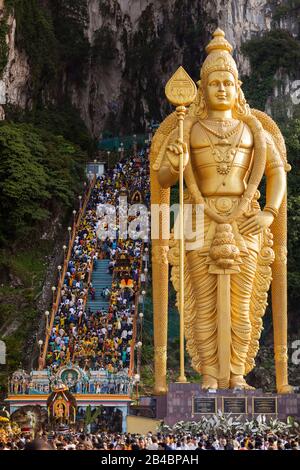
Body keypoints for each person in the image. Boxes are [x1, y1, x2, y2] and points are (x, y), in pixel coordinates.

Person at [152, 27, 292, 393]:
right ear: (202, 87)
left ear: (237, 86)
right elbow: (164, 178)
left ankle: (237, 374)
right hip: (198, 219)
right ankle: (210, 375)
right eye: (214, 83)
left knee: (242, 303)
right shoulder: (189, 127)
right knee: (202, 302)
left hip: (246, 219)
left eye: (228, 83)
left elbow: (276, 173)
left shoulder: (254, 128)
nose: (221, 90)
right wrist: (176, 162)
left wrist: (270, 212)